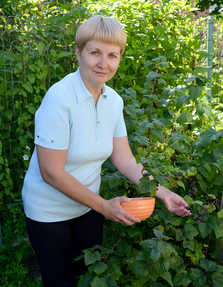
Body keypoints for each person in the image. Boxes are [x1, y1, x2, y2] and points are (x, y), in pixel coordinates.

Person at [22, 15, 191, 287]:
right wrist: (104, 207)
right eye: (95, 53)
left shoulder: (114, 100)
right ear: (78, 52)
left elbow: (124, 159)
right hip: (49, 211)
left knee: (88, 277)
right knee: (60, 281)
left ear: (120, 58)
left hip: (88, 204)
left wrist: (164, 193)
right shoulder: (59, 98)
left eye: (113, 55)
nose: (104, 63)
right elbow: (51, 172)